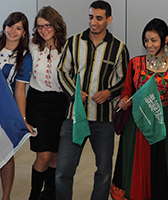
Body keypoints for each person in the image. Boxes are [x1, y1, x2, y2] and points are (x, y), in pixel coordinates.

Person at [55, 1, 129, 199]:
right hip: (74, 117)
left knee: (104, 172)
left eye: (98, 18)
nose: (93, 22)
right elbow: (62, 71)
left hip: (103, 120)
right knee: (63, 171)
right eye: (90, 17)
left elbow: (124, 81)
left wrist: (109, 92)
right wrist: (73, 92)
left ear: (109, 20)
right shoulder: (74, 41)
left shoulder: (119, 48)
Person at [110, 18, 168, 200]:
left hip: (160, 124)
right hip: (136, 124)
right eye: (146, 40)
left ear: (165, 40)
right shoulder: (135, 64)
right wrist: (124, 101)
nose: (149, 44)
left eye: (154, 40)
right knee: (135, 164)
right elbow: (127, 91)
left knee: (158, 166)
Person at [0, 11, 33, 200]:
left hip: (5, 112)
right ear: (4, 26)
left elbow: (20, 91)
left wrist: (22, 120)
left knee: (5, 155)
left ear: (24, 33)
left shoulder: (24, 56)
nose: (12, 31)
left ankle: (5, 197)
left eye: (18, 28)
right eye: (10, 25)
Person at [26, 6, 68, 200]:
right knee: (43, 155)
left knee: (56, 154)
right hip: (37, 103)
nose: (43, 30)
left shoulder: (68, 48)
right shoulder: (32, 46)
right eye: (39, 27)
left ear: (56, 25)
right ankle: (34, 195)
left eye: (47, 26)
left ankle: (50, 193)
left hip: (60, 104)